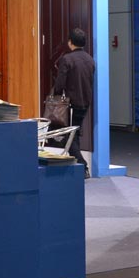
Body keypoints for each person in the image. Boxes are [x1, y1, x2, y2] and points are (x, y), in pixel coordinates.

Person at [53, 28, 95, 177]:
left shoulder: (67, 59)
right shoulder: (90, 59)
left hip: (71, 103)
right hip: (86, 101)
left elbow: (60, 84)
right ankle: (79, 166)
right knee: (74, 132)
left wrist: (56, 97)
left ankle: (82, 167)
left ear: (70, 42)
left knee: (69, 135)